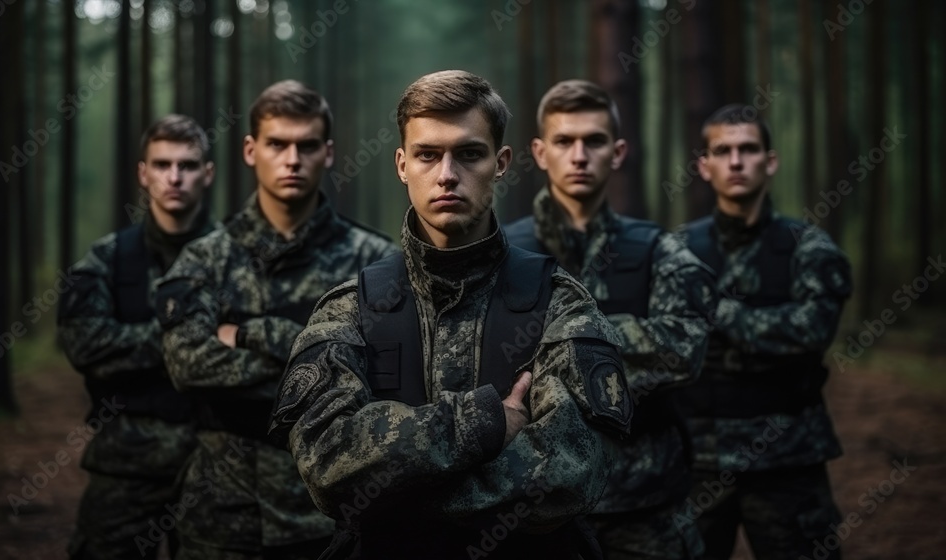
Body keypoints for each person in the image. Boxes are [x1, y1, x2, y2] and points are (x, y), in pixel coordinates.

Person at [269, 70, 633, 560]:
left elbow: (572, 471)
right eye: (427, 154)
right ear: (401, 164)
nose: (446, 174)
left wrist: (398, 496)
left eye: (469, 153)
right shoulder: (349, 308)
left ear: (501, 162)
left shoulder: (560, 302)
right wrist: (486, 421)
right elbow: (328, 463)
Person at [155, 81, 397, 560]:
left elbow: (385, 375)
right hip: (222, 513)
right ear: (250, 150)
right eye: (277, 145)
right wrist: (326, 368)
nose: (292, 160)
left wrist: (248, 334)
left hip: (335, 510)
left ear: (328, 154)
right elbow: (187, 365)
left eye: (307, 146)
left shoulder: (375, 263)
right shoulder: (204, 260)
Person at [504, 79, 715, 559]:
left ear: (618, 152)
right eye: (563, 141)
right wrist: (616, 354)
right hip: (533, 501)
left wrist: (550, 349)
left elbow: (684, 347)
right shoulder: (502, 252)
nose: (579, 156)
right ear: (539, 152)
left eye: (594, 141)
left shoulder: (658, 249)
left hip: (644, 502)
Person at [677, 104, 852, 560]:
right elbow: (666, 342)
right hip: (697, 458)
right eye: (723, 150)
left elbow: (811, 330)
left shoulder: (809, 248)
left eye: (749, 149)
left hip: (787, 459)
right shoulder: (675, 251)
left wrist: (717, 313)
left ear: (770, 161)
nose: (736, 162)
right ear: (704, 165)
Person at [57, 114, 217, 559]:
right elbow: (84, 344)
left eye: (187, 166)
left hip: (214, 463)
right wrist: (192, 339)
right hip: (126, 464)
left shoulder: (236, 258)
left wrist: (135, 345)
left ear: (207, 173)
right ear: (143, 174)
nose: (174, 177)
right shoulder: (107, 258)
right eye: (162, 165)